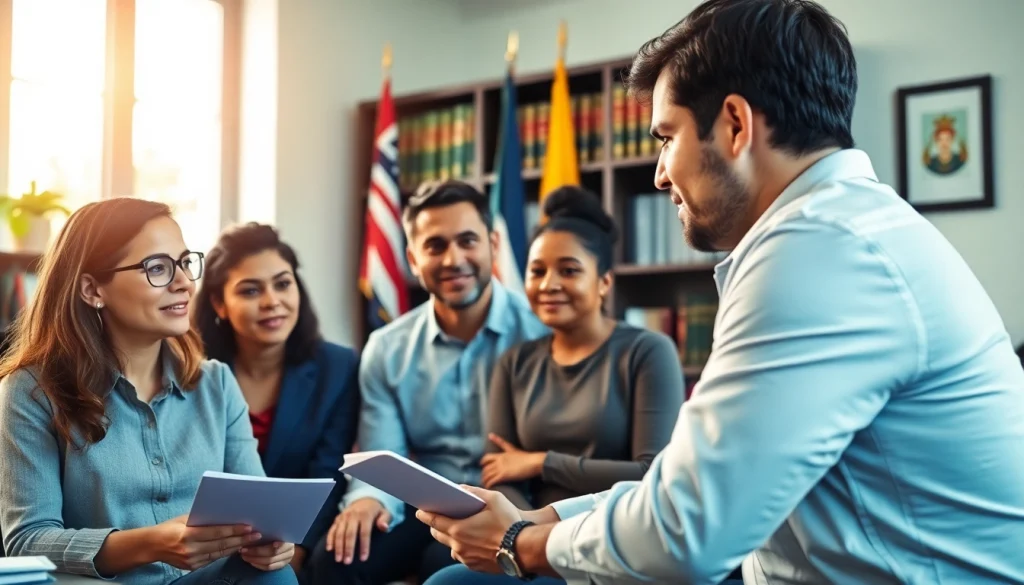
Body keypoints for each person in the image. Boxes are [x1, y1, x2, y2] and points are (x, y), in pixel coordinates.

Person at [416, 1, 1024, 584]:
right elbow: (697, 486)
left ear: (735, 124)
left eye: (665, 138)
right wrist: (547, 518)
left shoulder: (816, 253)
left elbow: (686, 533)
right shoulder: (840, 230)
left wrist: (517, 544)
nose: (659, 174)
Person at [0, 198, 298, 585]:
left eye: (184, 263)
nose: (184, 283)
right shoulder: (30, 392)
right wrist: (150, 544)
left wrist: (272, 543)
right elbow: (27, 541)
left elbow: (260, 512)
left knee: (276, 577)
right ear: (92, 289)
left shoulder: (216, 384)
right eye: (157, 268)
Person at [305, 180, 548, 585]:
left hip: (512, 505)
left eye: (468, 241)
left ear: (492, 244)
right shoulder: (386, 348)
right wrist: (367, 501)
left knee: (449, 569)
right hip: (424, 504)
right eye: (435, 246)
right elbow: (383, 452)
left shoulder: (541, 333)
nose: (454, 259)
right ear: (413, 259)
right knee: (335, 560)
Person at [481, 186, 684, 511]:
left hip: (619, 532)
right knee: (446, 563)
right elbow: (500, 473)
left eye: (569, 270)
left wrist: (541, 463)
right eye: (537, 271)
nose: (549, 285)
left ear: (604, 282)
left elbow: (652, 474)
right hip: (528, 535)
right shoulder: (514, 363)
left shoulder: (648, 352)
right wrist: (523, 529)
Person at [193, 222, 360, 577]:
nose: (272, 302)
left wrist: (296, 548)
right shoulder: (195, 374)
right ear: (219, 304)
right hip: (210, 542)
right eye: (250, 291)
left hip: (298, 542)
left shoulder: (339, 367)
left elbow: (328, 471)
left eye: (283, 284)